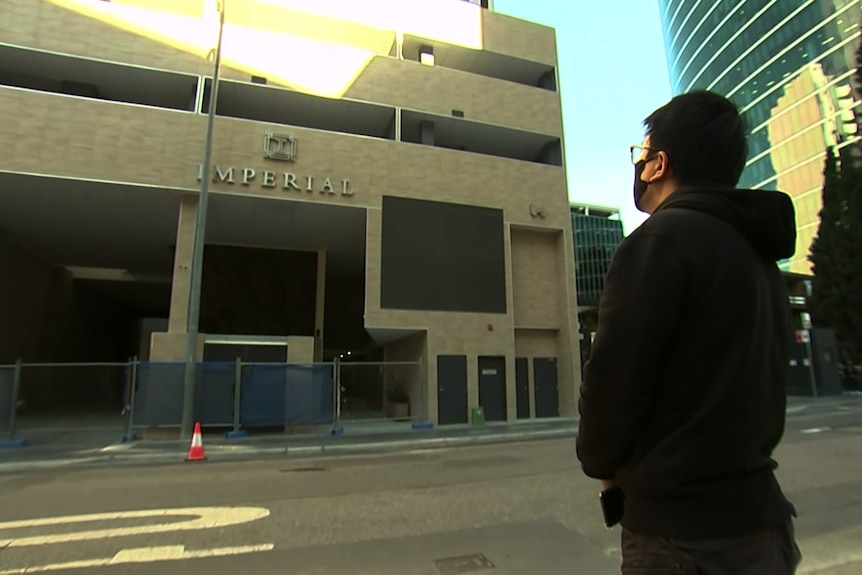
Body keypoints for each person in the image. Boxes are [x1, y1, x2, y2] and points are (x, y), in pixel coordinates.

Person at [575, 90, 802, 574]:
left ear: (660, 164)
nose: (638, 165)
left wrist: (601, 462)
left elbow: (614, 381)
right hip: (762, 523)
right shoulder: (759, 258)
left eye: (643, 153)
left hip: (682, 538)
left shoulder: (659, 241)